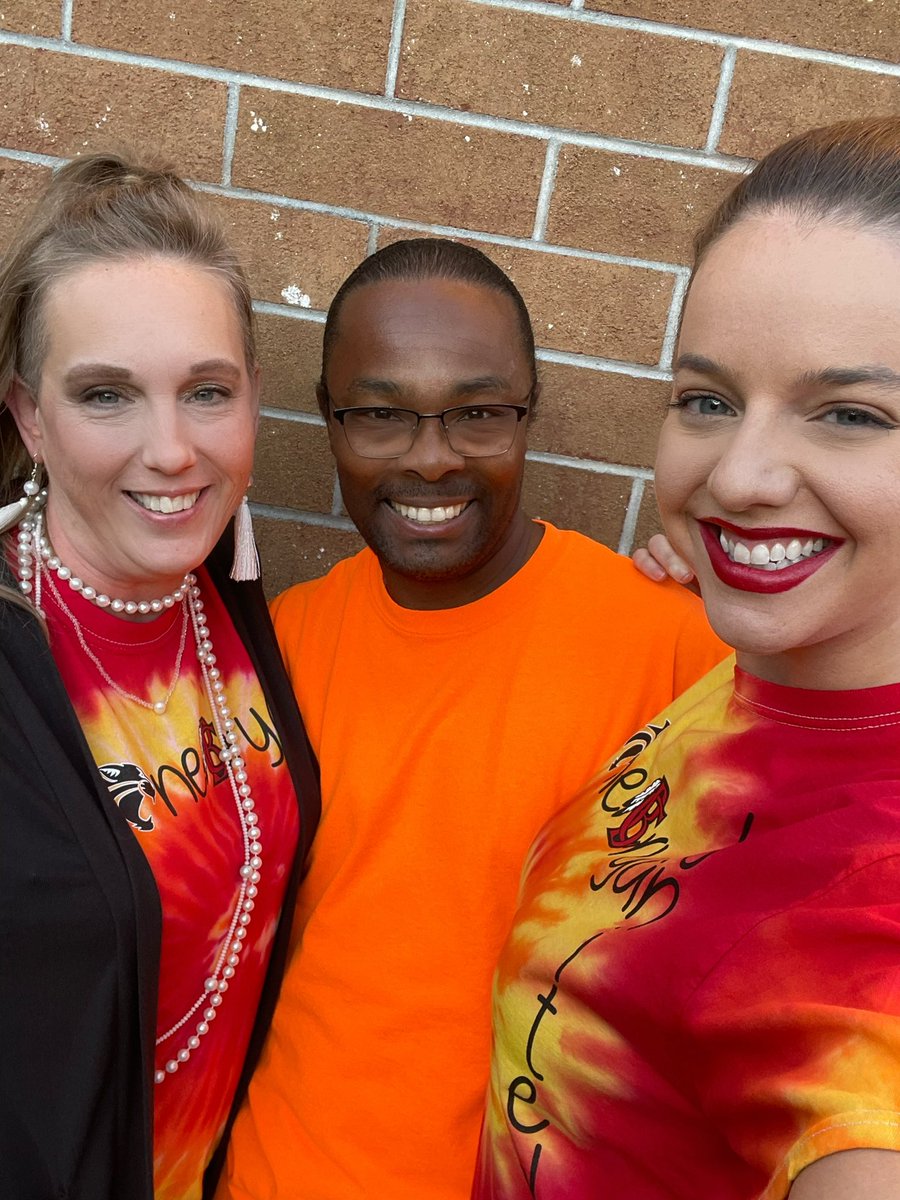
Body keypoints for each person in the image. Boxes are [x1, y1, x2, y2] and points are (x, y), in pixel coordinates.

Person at [219, 238, 727, 1200]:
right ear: (329, 420)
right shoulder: (281, 647)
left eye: (478, 414)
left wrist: (766, 628)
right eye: (379, 414)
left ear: (526, 414)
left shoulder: (672, 649)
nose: (431, 458)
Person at [475, 117, 900, 1200]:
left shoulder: (868, 916)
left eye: (848, 414)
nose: (742, 474)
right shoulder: (778, 659)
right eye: (707, 400)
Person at [0, 154, 320, 1200]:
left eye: (207, 392)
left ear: (253, 403)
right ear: (29, 417)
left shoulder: (223, 593)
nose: (174, 450)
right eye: (106, 396)